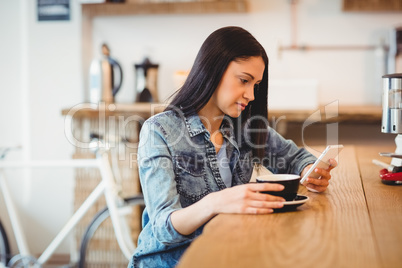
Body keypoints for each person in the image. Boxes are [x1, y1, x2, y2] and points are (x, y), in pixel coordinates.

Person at [128, 26, 337, 268]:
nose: (251, 95)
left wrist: (310, 171)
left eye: (256, 85)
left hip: (226, 255)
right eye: (244, 81)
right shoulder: (159, 131)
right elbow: (163, 228)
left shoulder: (246, 127)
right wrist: (217, 202)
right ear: (213, 69)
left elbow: (294, 157)